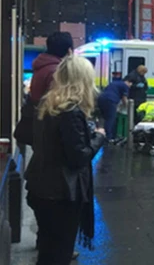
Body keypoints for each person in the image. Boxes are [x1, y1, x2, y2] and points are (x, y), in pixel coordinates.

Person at [25, 55, 106, 265]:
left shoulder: (47, 103)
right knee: (60, 252)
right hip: (61, 193)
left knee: (48, 250)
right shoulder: (70, 111)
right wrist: (99, 137)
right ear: (84, 80)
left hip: (40, 186)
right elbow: (78, 157)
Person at [15, 32, 74, 146]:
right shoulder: (55, 71)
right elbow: (57, 103)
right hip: (47, 130)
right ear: (69, 51)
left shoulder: (43, 65)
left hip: (38, 125)